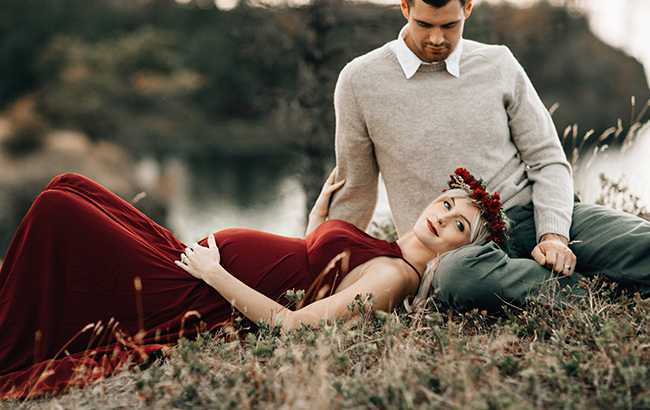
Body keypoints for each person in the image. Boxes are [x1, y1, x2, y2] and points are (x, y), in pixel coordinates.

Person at [328, 0, 650, 312]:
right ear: (405, 7)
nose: (436, 38)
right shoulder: (359, 81)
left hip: (532, 215)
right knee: (457, 280)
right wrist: (320, 265)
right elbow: (354, 191)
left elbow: (548, 160)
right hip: (456, 250)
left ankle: (567, 272)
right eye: (424, 24)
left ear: (467, 8)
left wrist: (554, 234)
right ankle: (591, 290)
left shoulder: (498, 63)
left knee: (642, 245)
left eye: (449, 25)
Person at [0, 168, 502, 398]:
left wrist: (216, 274)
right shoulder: (388, 252)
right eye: (447, 203)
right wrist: (317, 222)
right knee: (70, 185)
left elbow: (294, 324)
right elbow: (316, 277)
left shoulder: (395, 276)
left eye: (460, 225)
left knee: (57, 209)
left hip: (196, 292)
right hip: (193, 265)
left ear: (462, 249)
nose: (444, 216)